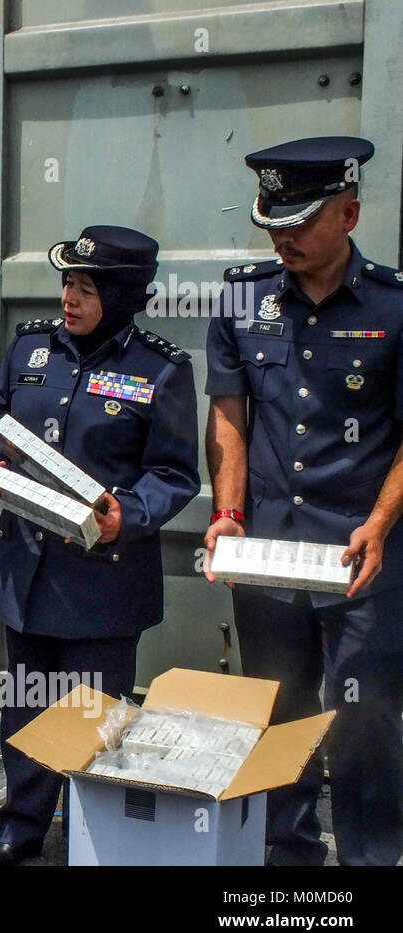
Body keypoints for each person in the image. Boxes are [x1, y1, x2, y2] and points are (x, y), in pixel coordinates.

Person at [0, 225, 200, 866]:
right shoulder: (30, 348)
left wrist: (132, 513)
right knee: (26, 709)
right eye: (67, 283)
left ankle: (92, 841)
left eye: (87, 289)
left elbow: (175, 474)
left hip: (103, 581)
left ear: (122, 296)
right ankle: (20, 828)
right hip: (27, 572)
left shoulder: (160, 369)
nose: (69, 298)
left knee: (94, 717)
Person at [204, 136, 403, 866]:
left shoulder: (394, 306)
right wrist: (228, 514)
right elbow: (229, 414)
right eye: (273, 223)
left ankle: (370, 859)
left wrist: (379, 523)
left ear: (349, 213)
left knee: (363, 715)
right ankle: (288, 862)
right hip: (269, 550)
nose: (282, 239)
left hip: (361, 555)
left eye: (301, 222)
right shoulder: (242, 296)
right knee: (278, 710)